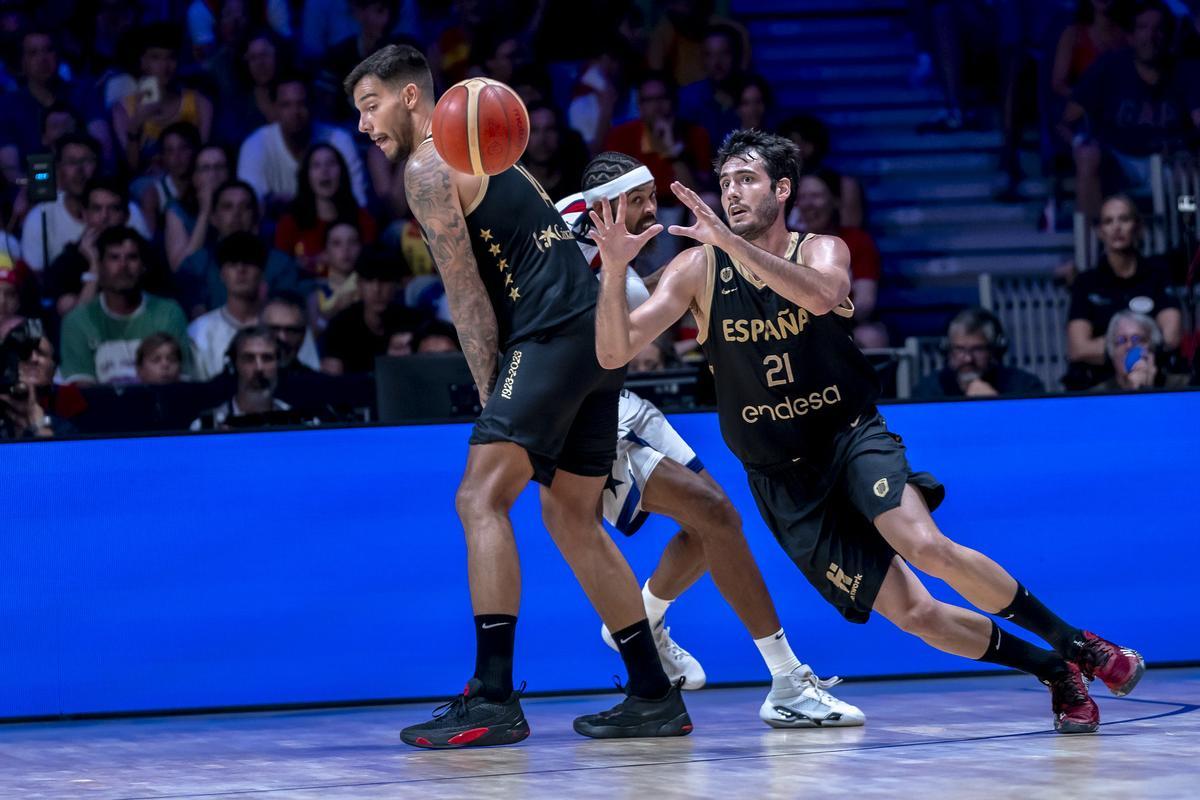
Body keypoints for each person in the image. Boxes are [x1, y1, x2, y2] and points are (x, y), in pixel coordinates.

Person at [590, 128, 1144, 735]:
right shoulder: (696, 268)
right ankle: (1054, 670)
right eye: (724, 183)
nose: (732, 193)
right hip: (783, 478)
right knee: (915, 615)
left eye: (746, 179)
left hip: (848, 436)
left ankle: (1081, 645)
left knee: (926, 545)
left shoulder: (822, 249)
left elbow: (825, 297)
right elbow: (616, 350)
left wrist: (730, 243)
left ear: (781, 189)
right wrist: (615, 270)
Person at [346, 44, 690, 748]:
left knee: (479, 498)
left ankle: (494, 697)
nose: (364, 126)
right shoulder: (486, 144)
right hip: (595, 338)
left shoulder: (429, 165)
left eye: (371, 105)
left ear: (412, 98)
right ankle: (654, 693)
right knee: (571, 518)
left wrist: (491, 404)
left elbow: (467, 297)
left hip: (552, 337)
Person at [557, 150, 865, 726]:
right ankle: (786, 681)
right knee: (719, 518)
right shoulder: (566, 242)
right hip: (580, 415)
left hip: (624, 403)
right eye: (644, 199)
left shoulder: (627, 254)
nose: (656, 208)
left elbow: (636, 308)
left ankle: (644, 617)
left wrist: (657, 280)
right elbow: (597, 337)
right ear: (613, 203)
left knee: (711, 531)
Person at [1060, 1, 1200, 220]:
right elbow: (1065, 121)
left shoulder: (1186, 70)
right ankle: (1096, 241)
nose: (1151, 37)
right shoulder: (1109, 67)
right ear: (1130, 36)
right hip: (1119, 160)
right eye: (1143, 28)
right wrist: (1079, 144)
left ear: (1169, 36)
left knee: (1189, 177)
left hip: (1169, 161)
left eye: (1159, 29)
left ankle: (1188, 235)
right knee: (1087, 158)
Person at [1066, 194, 1182, 387]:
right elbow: (1078, 348)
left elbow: (1171, 337)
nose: (1117, 227)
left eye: (1124, 219)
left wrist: (1120, 344)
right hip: (1099, 383)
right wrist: (1137, 343)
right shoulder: (1086, 282)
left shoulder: (1157, 274)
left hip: (1155, 378)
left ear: (1138, 227)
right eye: (1109, 221)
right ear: (1099, 231)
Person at [59, 226, 192, 385]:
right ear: (99, 266)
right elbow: (82, 390)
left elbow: (181, 382)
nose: (123, 265)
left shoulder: (168, 313)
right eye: (114, 258)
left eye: (132, 257)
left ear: (143, 266)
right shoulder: (77, 321)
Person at [237, 73, 367, 213]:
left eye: (301, 103)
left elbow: (359, 203)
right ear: (275, 109)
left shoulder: (338, 140)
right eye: (286, 105)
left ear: (312, 105)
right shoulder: (255, 145)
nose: (295, 112)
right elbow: (248, 208)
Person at [20, 133, 150, 272]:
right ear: (58, 169)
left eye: (87, 161)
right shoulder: (41, 216)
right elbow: (35, 278)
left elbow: (146, 268)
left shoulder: (127, 211)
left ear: (98, 166)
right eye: (71, 162)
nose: (79, 170)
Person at [175, 179, 303, 316]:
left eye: (245, 207)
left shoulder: (281, 264)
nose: (236, 214)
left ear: (256, 216)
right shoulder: (195, 265)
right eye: (227, 207)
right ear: (213, 218)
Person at [794, 171, 886, 348]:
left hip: (845, 325)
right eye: (802, 197)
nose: (808, 204)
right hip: (795, 327)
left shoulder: (857, 242)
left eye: (816, 196)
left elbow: (865, 302)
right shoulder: (785, 242)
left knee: (872, 337)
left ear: (835, 201)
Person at [112, 23, 213, 172]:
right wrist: (137, 122)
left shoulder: (200, 103)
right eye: (155, 58)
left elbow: (204, 160)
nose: (164, 66)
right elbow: (132, 168)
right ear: (143, 62)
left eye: (171, 58)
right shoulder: (122, 110)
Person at [604, 73, 712, 208]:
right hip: (636, 211)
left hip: (681, 211)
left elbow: (694, 194)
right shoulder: (621, 135)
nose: (656, 107)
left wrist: (672, 149)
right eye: (649, 100)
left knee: (709, 201)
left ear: (674, 101)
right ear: (640, 106)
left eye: (662, 99)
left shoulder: (696, 134)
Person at [274, 143, 377, 273]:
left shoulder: (363, 221)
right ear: (306, 176)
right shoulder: (289, 224)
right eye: (316, 166)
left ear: (342, 172)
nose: (324, 171)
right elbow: (280, 270)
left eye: (331, 164)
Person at [913, 308, 1045, 398]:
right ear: (947, 349)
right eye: (959, 349)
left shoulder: (1025, 386)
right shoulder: (927, 391)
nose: (967, 359)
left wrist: (997, 405)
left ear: (995, 350)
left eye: (977, 349)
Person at [319, 246, 410, 374]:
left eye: (384, 280)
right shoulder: (340, 327)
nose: (377, 289)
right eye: (369, 280)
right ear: (358, 284)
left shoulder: (414, 323)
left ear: (397, 284)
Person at [189, 232, 267, 381]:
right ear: (222, 274)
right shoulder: (199, 332)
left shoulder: (283, 327)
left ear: (262, 272)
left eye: (248, 262)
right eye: (232, 263)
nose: (241, 270)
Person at [190, 325, 291, 431]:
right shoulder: (207, 427)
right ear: (233, 365)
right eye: (249, 358)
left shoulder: (294, 421)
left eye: (267, 358)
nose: (259, 368)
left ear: (279, 364)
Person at [0, 318, 83, 439]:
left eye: (41, 353)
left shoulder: (63, 428)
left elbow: (52, 457)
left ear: (53, 369)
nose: (33, 359)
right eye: (24, 353)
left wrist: (35, 416)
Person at [779, 115, 865, 229]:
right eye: (793, 142)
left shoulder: (844, 185)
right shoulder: (777, 186)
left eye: (805, 142)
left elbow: (851, 232)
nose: (800, 149)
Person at [164, 144, 231, 271]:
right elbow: (181, 268)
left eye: (219, 167)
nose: (213, 174)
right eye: (205, 168)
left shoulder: (241, 202)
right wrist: (205, 212)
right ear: (194, 177)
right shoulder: (177, 209)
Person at [1090, 310, 1191, 391]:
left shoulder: (1181, 386)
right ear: (1111, 351)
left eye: (1136, 339)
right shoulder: (1095, 395)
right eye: (1121, 340)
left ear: (1152, 346)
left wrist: (1146, 389)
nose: (1129, 345)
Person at [310, 220, 362, 330]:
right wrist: (333, 312)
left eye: (352, 242)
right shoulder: (316, 298)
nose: (346, 249)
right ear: (325, 253)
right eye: (336, 243)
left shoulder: (371, 291)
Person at [262, 293, 317, 375]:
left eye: (291, 331)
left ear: (303, 335)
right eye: (274, 329)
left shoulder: (318, 384)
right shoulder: (238, 384)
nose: (282, 338)